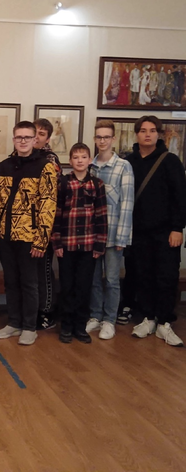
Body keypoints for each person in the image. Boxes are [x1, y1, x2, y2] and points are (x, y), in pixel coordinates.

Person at [0, 121, 57, 346]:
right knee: (11, 282)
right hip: (6, 235)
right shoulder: (5, 166)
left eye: (27, 137)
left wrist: (41, 240)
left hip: (30, 237)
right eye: (19, 137)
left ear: (35, 139)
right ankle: (14, 322)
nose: (23, 141)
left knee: (29, 283)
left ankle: (29, 327)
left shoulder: (45, 167)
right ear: (14, 139)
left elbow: (48, 205)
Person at [126, 116, 186, 347]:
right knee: (143, 275)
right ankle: (148, 318)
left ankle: (165, 322)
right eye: (143, 130)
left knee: (166, 277)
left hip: (165, 231)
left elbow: (180, 197)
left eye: (152, 130)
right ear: (137, 134)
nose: (148, 134)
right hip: (138, 231)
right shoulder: (128, 161)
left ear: (159, 134)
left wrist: (177, 228)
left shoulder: (170, 161)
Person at [51, 143, 107, 344]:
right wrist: (56, 242)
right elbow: (56, 214)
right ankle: (66, 325)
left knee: (84, 287)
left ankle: (80, 326)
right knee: (67, 286)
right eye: (76, 157)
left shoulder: (97, 184)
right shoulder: (63, 183)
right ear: (70, 161)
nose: (80, 160)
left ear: (90, 160)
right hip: (67, 245)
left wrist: (100, 244)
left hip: (88, 245)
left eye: (83, 157)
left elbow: (101, 216)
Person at [86, 120, 134, 340]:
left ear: (113, 139)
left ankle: (109, 320)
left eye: (106, 137)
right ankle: (95, 316)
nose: (102, 141)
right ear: (95, 139)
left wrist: (122, 237)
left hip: (114, 235)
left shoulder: (123, 166)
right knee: (94, 279)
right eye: (99, 137)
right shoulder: (90, 166)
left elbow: (127, 203)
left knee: (112, 280)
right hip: (92, 235)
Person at [33, 118, 62, 331]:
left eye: (41, 134)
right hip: (24, 224)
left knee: (43, 270)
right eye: (34, 132)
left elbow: (51, 196)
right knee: (29, 272)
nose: (36, 137)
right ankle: (32, 310)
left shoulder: (50, 160)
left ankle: (47, 311)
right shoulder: (20, 156)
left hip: (44, 223)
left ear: (48, 139)